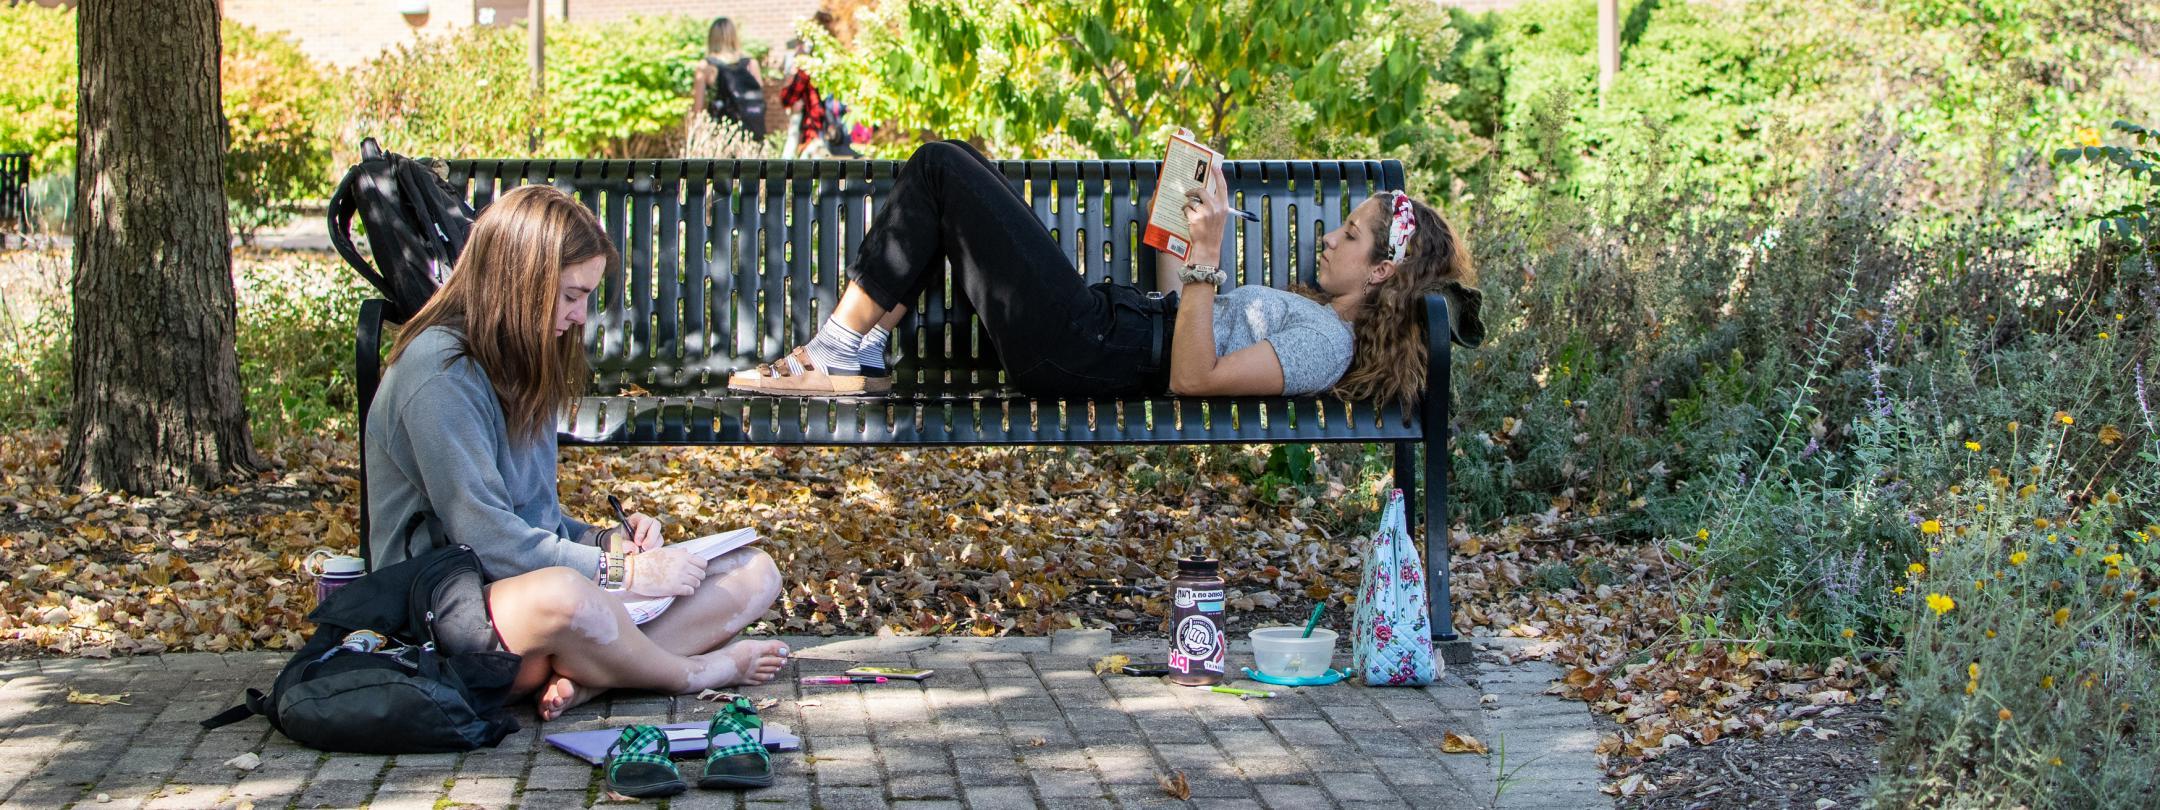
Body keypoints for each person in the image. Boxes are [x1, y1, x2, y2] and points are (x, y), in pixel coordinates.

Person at [366, 185, 790, 721]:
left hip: (537, 612)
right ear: (516, 284)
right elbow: (487, 539)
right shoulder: (439, 374)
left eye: (587, 295)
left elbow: (532, 519)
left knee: (753, 572)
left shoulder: (520, 359)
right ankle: (693, 671)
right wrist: (624, 575)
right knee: (569, 595)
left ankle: (592, 678)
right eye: (570, 295)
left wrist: (605, 538)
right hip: (450, 622)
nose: (580, 314)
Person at [726, 139, 1484, 405]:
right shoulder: (1312, 316)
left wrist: (1209, 265)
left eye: (1349, 236)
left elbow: (1191, 380)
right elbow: (1177, 318)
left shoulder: (1326, 344)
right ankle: (858, 349)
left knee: (942, 168)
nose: (1328, 239)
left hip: (1088, 344)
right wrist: (1183, 218)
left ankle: (839, 349)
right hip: (1100, 330)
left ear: (1382, 271)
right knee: (960, 173)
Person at [690, 17, 765, 143]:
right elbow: (759, 98)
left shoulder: (705, 66)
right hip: (750, 131)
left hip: (720, 134)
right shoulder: (751, 64)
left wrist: (696, 138)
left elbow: (698, 108)